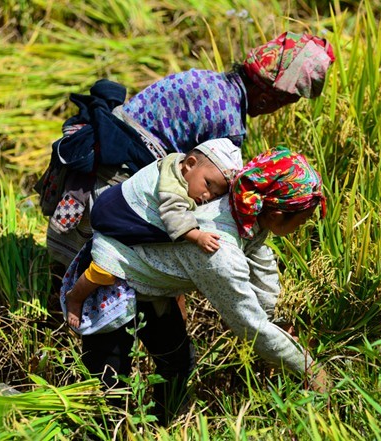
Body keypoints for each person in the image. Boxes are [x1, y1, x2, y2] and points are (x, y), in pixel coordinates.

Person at [60, 146, 329, 424]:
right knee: (110, 382)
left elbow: (260, 258)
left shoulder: (245, 204)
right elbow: (251, 327)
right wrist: (310, 369)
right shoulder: (219, 253)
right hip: (113, 281)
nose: (304, 224)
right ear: (275, 215)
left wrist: (274, 318)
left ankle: (160, 427)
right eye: (303, 219)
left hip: (153, 290)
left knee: (177, 364)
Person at [44, 32, 336, 271]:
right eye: (285, 102)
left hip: (102, 152)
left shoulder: (203, 79)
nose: (280, 109)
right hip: (115, 178)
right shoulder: (229, 126)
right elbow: (213, 204)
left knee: (68, 272)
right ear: (265, 96)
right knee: (95, 273)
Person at [63, 138, 242, 329]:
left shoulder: (178, 167)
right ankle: (75, 296)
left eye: (215, 195)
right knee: (104, 271)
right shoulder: (172, 188)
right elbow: (174, 216)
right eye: (207, 184)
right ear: (189, 165)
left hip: (115, 210)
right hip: (114, 217)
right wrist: (198, 236)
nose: (207, 197)